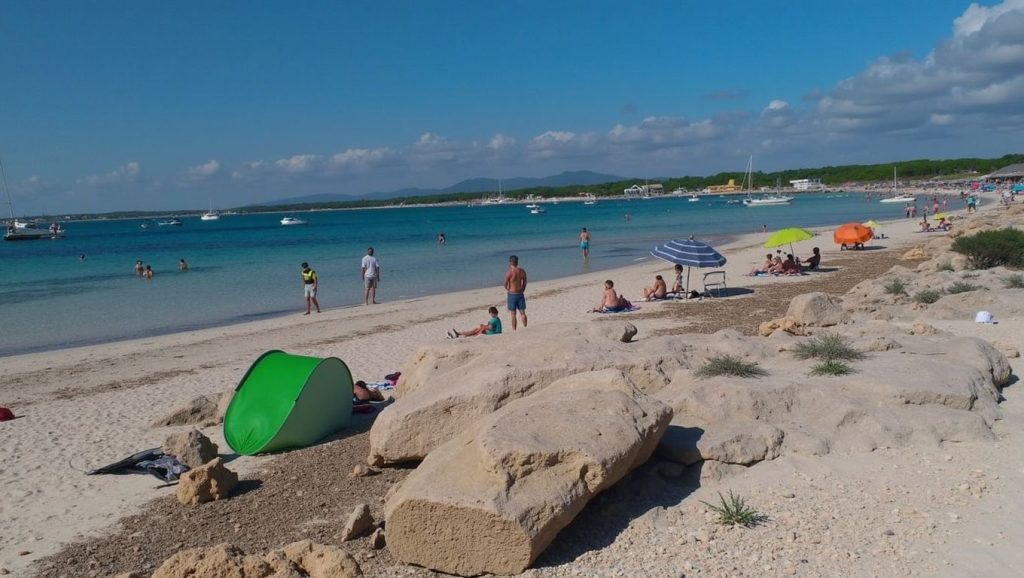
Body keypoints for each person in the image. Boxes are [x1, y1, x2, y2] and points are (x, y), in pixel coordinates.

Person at [504, 255, 528, 330]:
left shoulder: (509, 272)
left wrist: (508, 289)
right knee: (522, 312)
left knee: (513, 314)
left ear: (510, 262)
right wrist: (523, 288)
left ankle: (514, 330)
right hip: (520, 293)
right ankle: (525, 327)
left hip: (512, 294)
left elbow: (505, 284)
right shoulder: (522, 271)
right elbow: (525, 280)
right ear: (517, 262)